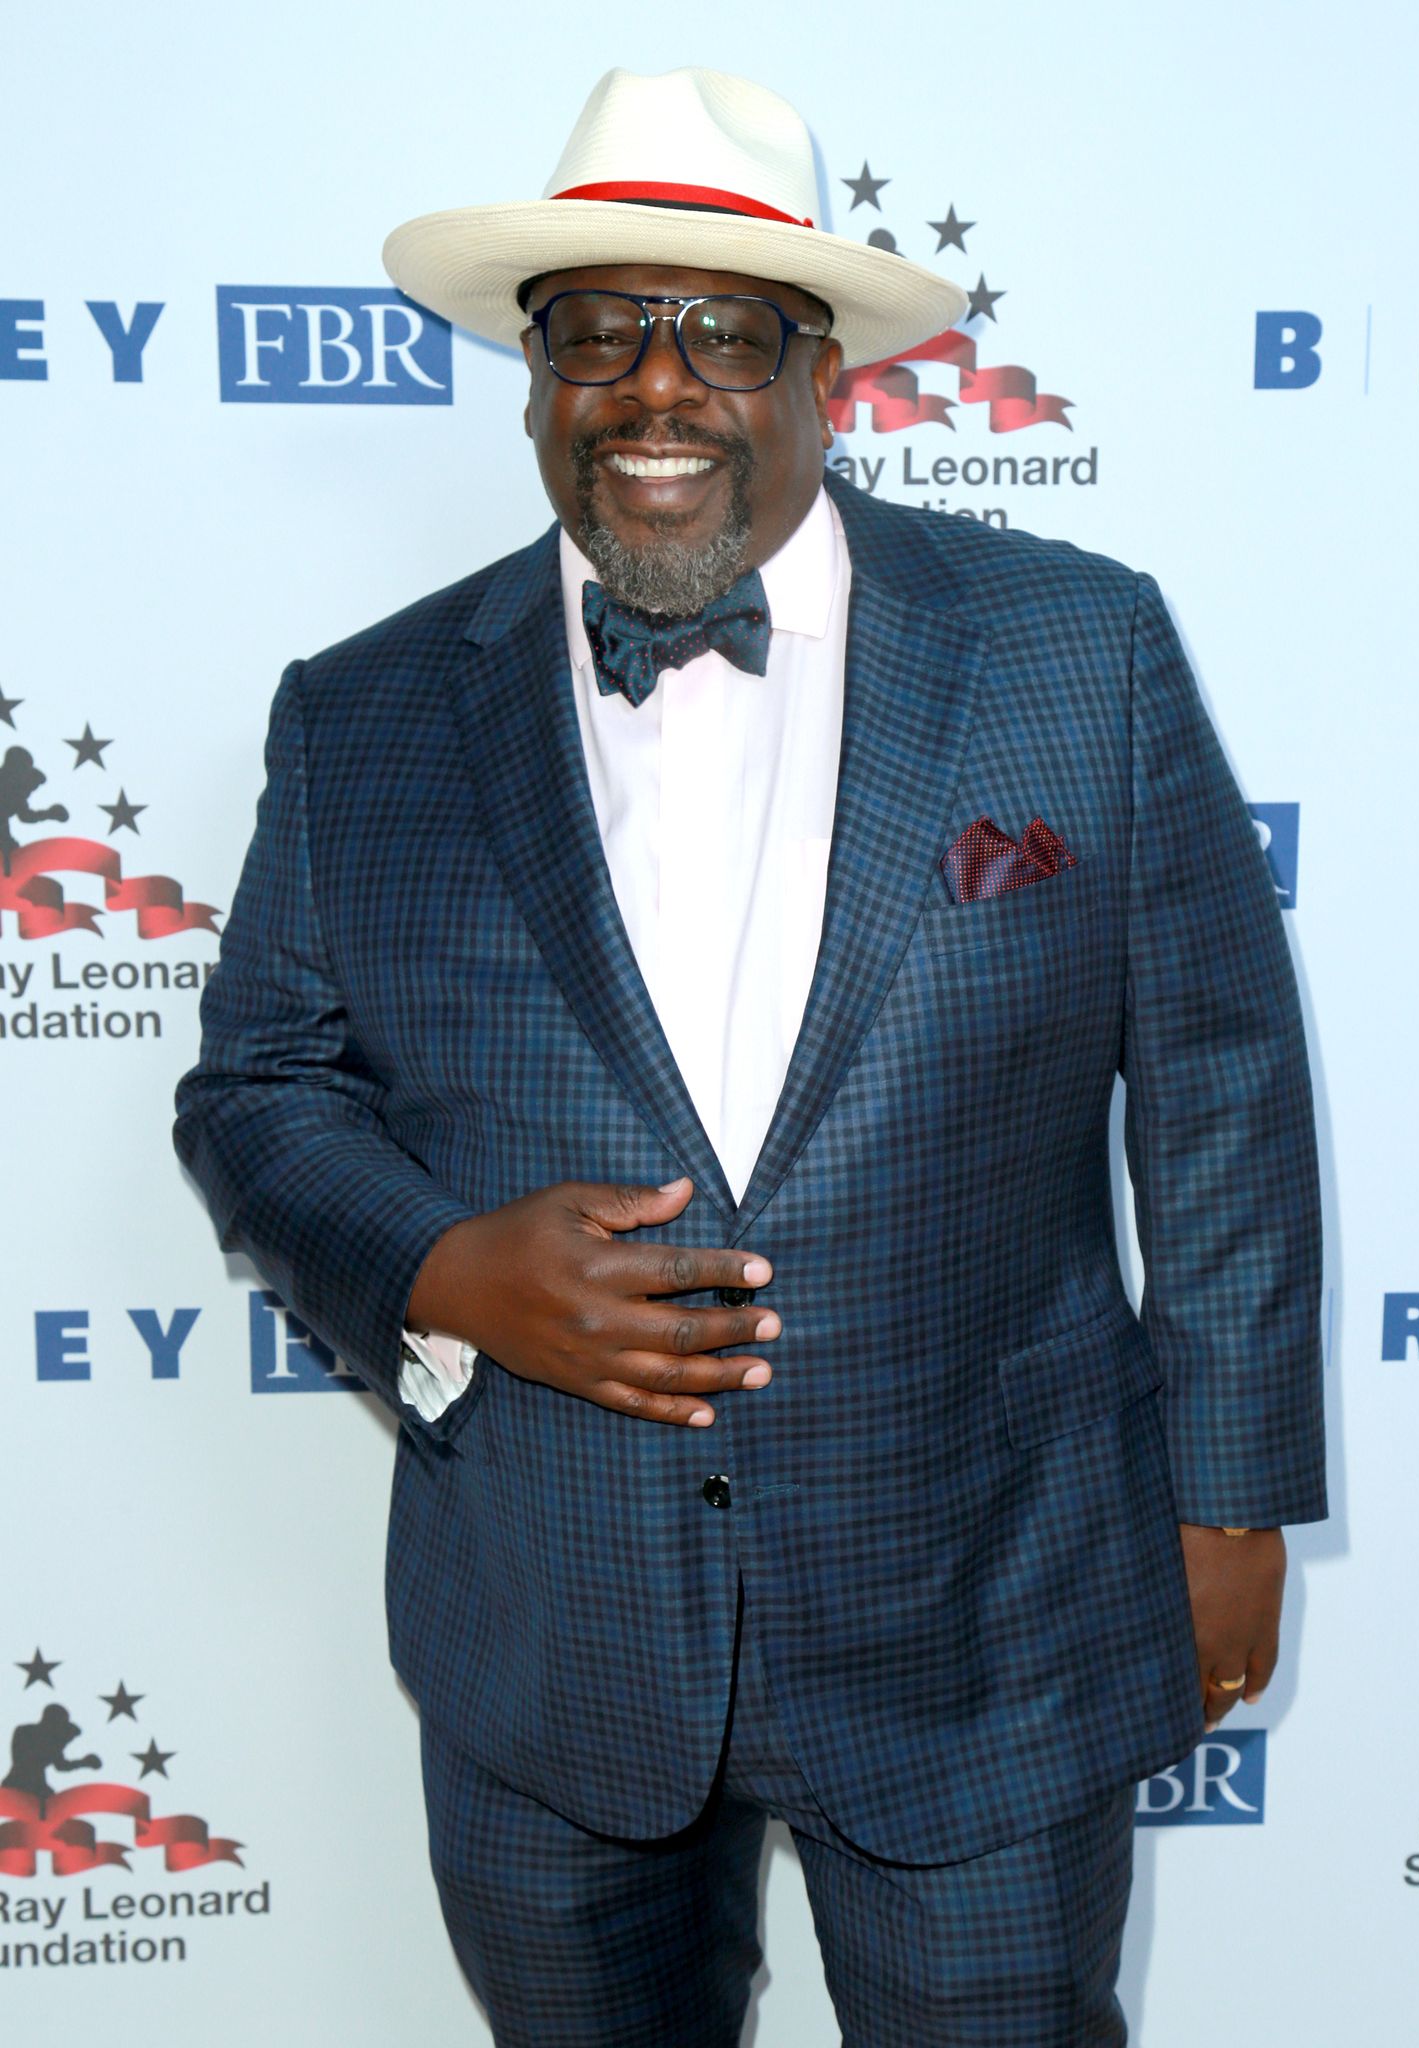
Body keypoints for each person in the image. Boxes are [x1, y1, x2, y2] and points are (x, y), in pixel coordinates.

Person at [174, 65, 1326, 2047]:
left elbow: (1219, 1080)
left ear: (822, 373)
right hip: (551, 1626)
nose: (656, 384)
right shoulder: (359, 714)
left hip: (989, 1602)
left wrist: (1227, 1508)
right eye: (597, 327)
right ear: (535, 378)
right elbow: (258, 1085)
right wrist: (447, 1274)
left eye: (720, 329)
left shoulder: (1081, 650)